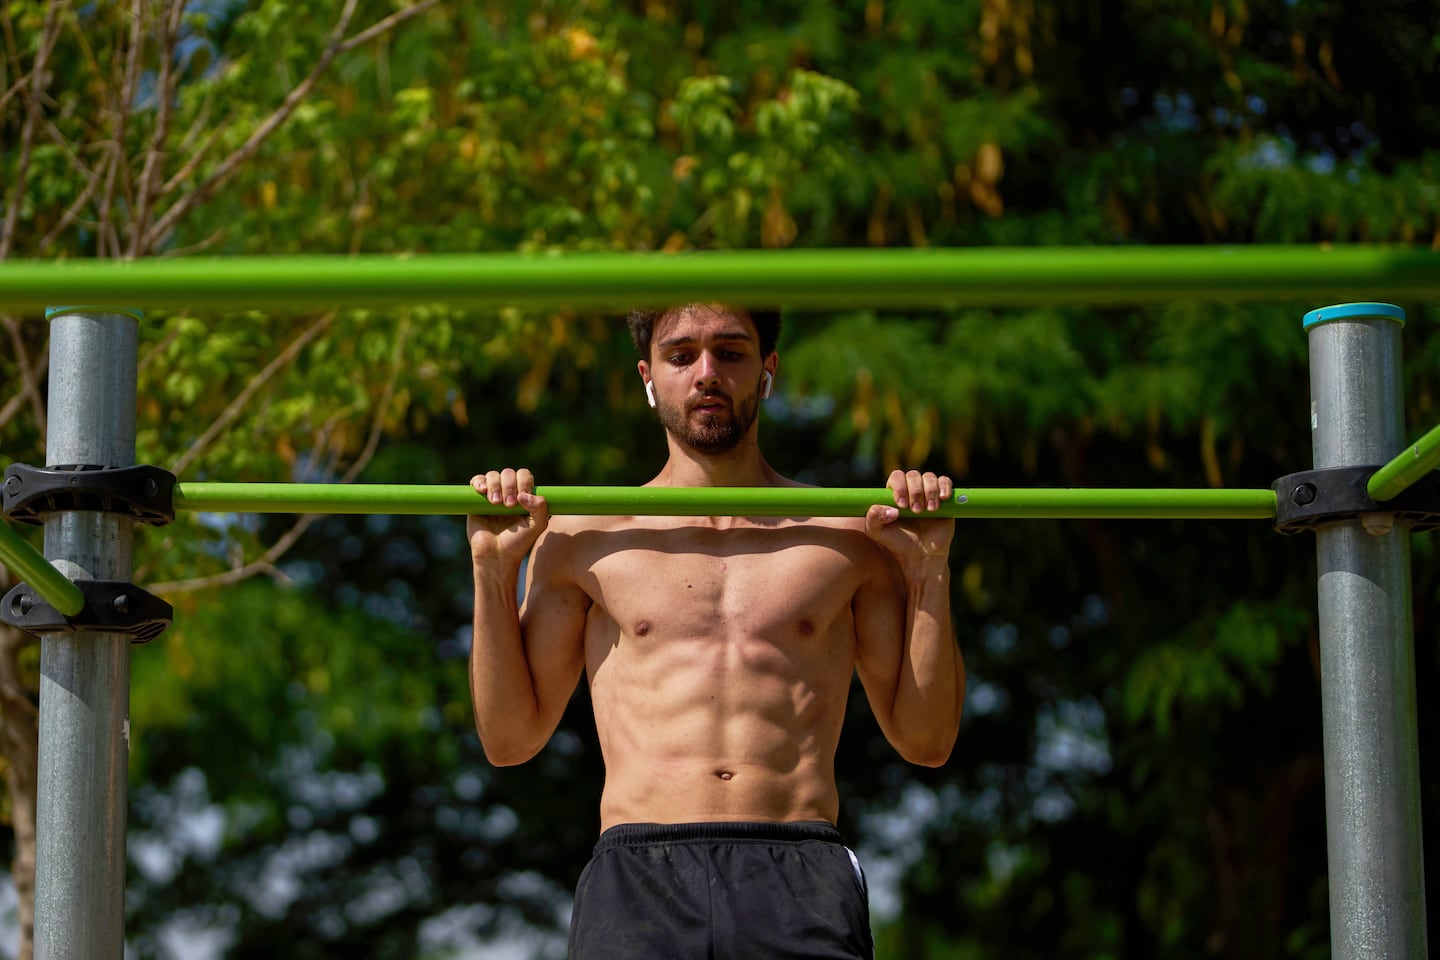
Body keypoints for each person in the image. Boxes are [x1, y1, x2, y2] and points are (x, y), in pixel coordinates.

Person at [467, 302, 965, 959]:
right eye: (682, 356)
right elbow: (509, 740)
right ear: (649, 377)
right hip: (638, 877)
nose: (707, 373)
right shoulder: (581, 539)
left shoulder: (847, 539)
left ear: (767, 371)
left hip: (797, 870)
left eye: (731, 353)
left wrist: (931, 572)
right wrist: (493, 577)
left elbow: (926, 741)